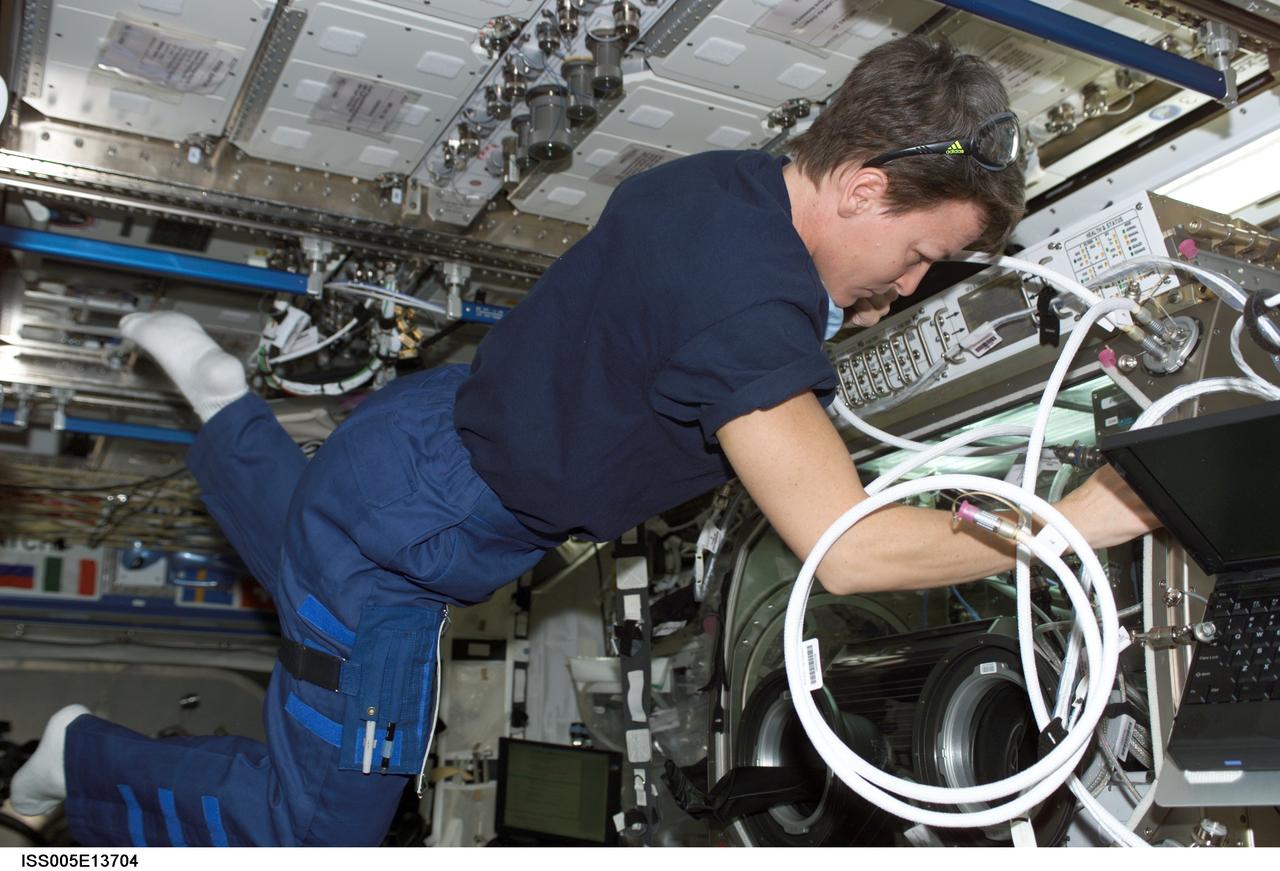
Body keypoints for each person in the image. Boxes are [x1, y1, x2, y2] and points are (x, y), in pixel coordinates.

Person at [7, 36, 1157, 845]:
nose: (904, 291)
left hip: (413, 441)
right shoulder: (746, 310)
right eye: (917, 257)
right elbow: (848, 552)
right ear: (860, 185)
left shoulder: (729, 186)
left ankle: (225, 410)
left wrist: (831, 307)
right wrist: (1076, 522)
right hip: (422, 535)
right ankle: (82, 753)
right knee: (324, 825)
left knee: (309, 542)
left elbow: (727, 313)